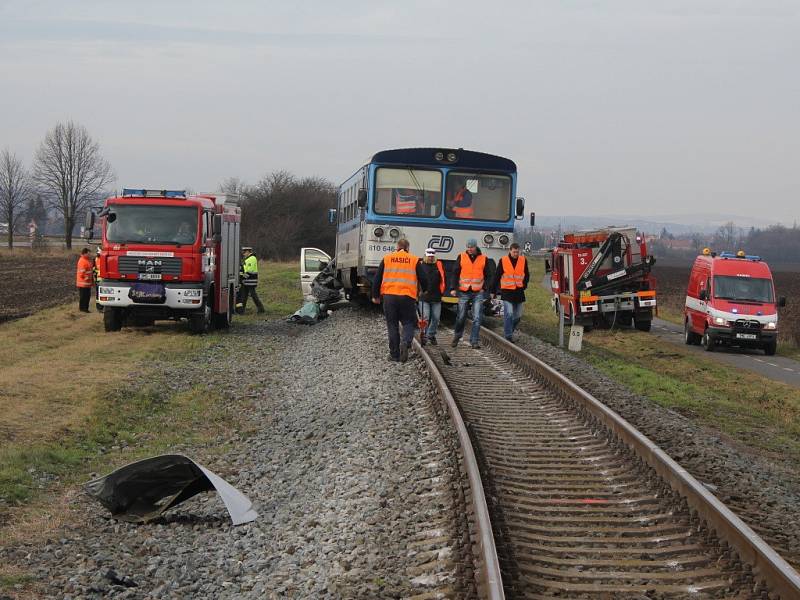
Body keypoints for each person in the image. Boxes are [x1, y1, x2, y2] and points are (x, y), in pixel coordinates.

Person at [371, 238, 427, 362]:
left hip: (389, 297)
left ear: (397, 247)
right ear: (408, 248)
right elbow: (423, 278)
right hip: (407, 297)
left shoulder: (387, 258)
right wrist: (425, 290)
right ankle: (406, 343)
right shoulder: (414, 259)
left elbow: (377, 278)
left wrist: (375, 296)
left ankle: (394, 354)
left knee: (392, 325)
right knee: (408, 322)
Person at [451, 238, 493, 348]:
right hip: (464, 292)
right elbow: (455, 273)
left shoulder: (484, 259)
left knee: (477, 317)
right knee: (461, 316)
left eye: (471, 247)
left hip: (478, 292)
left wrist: (485, 287)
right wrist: (453, 288)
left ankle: (474, 341)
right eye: (468, 247)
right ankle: (457, 335)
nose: (469, 249)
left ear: (476, 247)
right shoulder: (461, 257)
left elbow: (489, 275)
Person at [492, 242, 530, 342]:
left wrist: (524, 285)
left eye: (517, 252)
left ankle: (509, 330)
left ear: (519, 251)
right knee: (509, 313)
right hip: (507, 292)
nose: (516, 254)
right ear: (510, 251)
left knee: (518, 316)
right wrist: (493, 290)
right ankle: (508, 335)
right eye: (514, 252)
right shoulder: (503, 260)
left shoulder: (523, 260)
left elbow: (527, 275)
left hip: (519, 293)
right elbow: (497, 276)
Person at [419, 247, 445, 345]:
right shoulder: (420, 265)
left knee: (436, 318)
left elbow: (443, 278)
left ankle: (431, 334)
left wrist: (442, 291)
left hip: (436, 296)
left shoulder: (439, 265)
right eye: (429, 256)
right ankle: (424, 335)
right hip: (424, 297)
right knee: (425, 317)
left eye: (432, 256)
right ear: (425, 256)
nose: (430, 258)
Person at [236, 247, 265, 314]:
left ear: (248, 251)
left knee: (253, 295)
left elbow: (249, 271)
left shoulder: (252, 259)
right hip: (247, 281)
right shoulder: (248, 258)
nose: (243, 254)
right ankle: (241, 310)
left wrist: (242, 277)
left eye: (244, 252)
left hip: (251, 280)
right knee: (244, 295)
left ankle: (261, 309)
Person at [76, 248, 94, 313]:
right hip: (83, 283)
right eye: (88, 253)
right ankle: (82, 309)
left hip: (87, 283)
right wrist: (86, 277)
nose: (90, 254)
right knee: (83, 297)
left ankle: (85, 309)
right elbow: (81, 272)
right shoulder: (82, 261)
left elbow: (90, 270)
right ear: (85, 253)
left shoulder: (87, 260)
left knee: (87, 297)